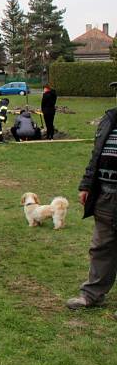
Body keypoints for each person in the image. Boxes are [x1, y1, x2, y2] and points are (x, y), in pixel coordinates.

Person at [66, 101, 117, 312]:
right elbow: (96, 156)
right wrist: (86, 185)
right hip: (105, 194)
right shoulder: (109, 119)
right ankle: (92, 295)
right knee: (101, 246)